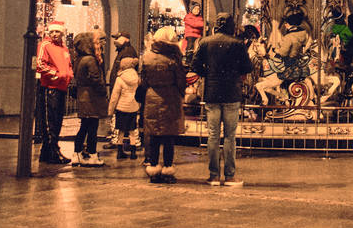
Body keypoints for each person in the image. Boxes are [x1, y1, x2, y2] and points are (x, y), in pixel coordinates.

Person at [191, 14, 253, 185]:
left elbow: (195, 66)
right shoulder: (237, 44)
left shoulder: (205, 42)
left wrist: (209, 75)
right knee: (230, 136)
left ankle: (214, 175)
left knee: (213, 136)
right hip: (232, 93)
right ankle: (230, 175)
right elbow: (247, 67)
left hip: (212, 92)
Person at [141, 25, 186, 183]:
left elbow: (143, 80)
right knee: (168, 137)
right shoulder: (173, 58)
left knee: (154, 135)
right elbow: (181, 81)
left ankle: (153, 169)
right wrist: (181, 93)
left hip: (152, 97)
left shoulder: (146, 57)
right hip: (170, 97)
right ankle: (167, 169)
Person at [35, 22, 72, 164]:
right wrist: (55, 74)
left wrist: (68, 74)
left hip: (60, 87)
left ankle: (47, 152)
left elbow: (67, 65)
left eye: (57, 31)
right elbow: (40, 64)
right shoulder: (45, 45)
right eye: (53, 32)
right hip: (50, 87)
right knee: (50, 120)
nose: (55, 34)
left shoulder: (64, 48)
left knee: (57, 120)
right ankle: (52, 150)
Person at [71, 31, 107, 166]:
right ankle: (92, 154)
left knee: (85, 126)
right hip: (91, 97)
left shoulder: (79, 59)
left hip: (83, 95)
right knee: (92, 127)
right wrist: (103, 91)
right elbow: (96, 78)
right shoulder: (90, 60)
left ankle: (77, 153)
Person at [108, 56, 141, 160]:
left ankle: (119, 152)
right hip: (133, 108)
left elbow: (114, 96)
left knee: (121, 131)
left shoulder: (119, 79)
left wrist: (110, 110)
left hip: (121, 108)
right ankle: (133, 153)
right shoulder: (136, 78)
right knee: (132, 131)